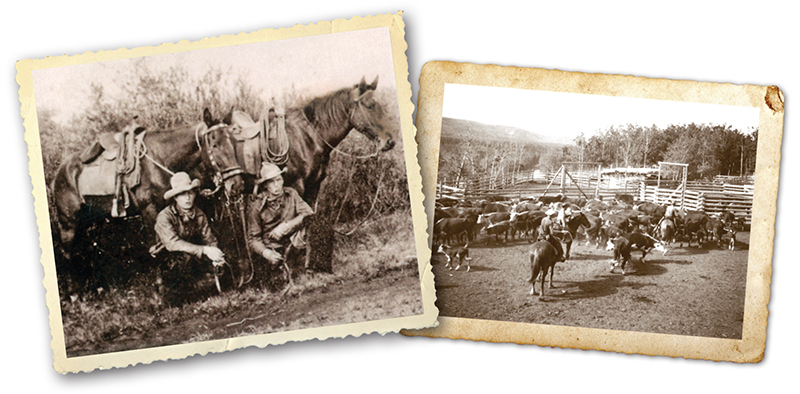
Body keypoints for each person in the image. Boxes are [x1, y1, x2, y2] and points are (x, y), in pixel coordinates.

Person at [153, 172, 225, 303]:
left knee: (221, 264)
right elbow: (172, 244)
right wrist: (205, 250)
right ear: (175, 197)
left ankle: (200, 287)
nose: (187, 198)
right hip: (170, 257)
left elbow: (209, 238)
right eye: (182, 194)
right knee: (181, 262)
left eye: (190, 193)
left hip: (193, 254)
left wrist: (215, 254)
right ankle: (172, 292)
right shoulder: (165, 216)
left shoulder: (199, 214)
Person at [246, 162, 314, 277]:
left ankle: (314, 269)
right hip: (272, 249)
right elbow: (253, 239)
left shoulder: (291, 194)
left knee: (316, 224)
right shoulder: (257, 205)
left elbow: (308, 213)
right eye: (271, 182)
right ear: (265, 185)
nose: (276, 185)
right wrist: (266, 253)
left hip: (293, 243)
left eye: (278, 180)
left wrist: (286, 226)